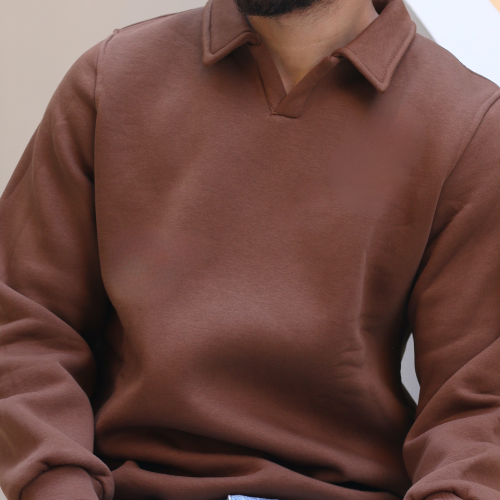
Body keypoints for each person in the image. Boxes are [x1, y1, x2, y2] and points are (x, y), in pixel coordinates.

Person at [0, 0, 499, 499]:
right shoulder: (113, 76)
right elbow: (26, 326)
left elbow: (477, 408)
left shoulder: (469, 125)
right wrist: (58, 487)